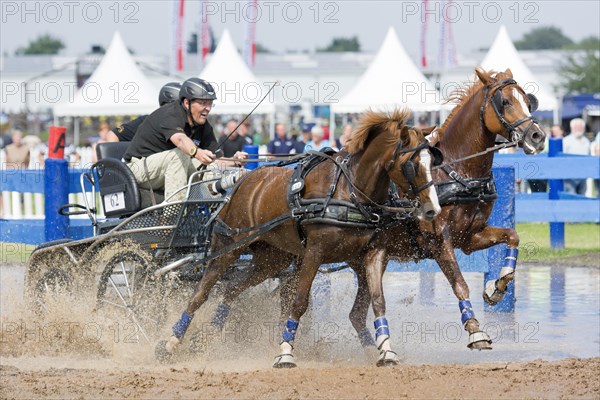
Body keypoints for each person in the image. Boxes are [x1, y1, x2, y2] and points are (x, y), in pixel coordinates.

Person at [123, 77, 246, 202]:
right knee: (180, 155)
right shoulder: (170, 113)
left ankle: (216, 190)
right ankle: (174, 213)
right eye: (203, 103)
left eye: (210, 103)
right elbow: (180, 140)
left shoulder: (203, 126)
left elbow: (213, 159)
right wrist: (198, 153)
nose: (208, 108)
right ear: (187, 103)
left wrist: (234, 161)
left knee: (204, 163)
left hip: (167, 170)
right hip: (136, 170)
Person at [107, 82, 182, 142]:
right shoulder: (147, 121)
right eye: (181, 105)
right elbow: (113, 135)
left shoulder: (187, 124)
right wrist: (120, 158)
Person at [563, 118, 591, 195]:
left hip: (583, 174)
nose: (579, 129)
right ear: (572, 128)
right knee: (571, 195)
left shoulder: (586, 141)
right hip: (569, 174)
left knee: (582, 195)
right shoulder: (566, 141)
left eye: (581, 127)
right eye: (577, 127)